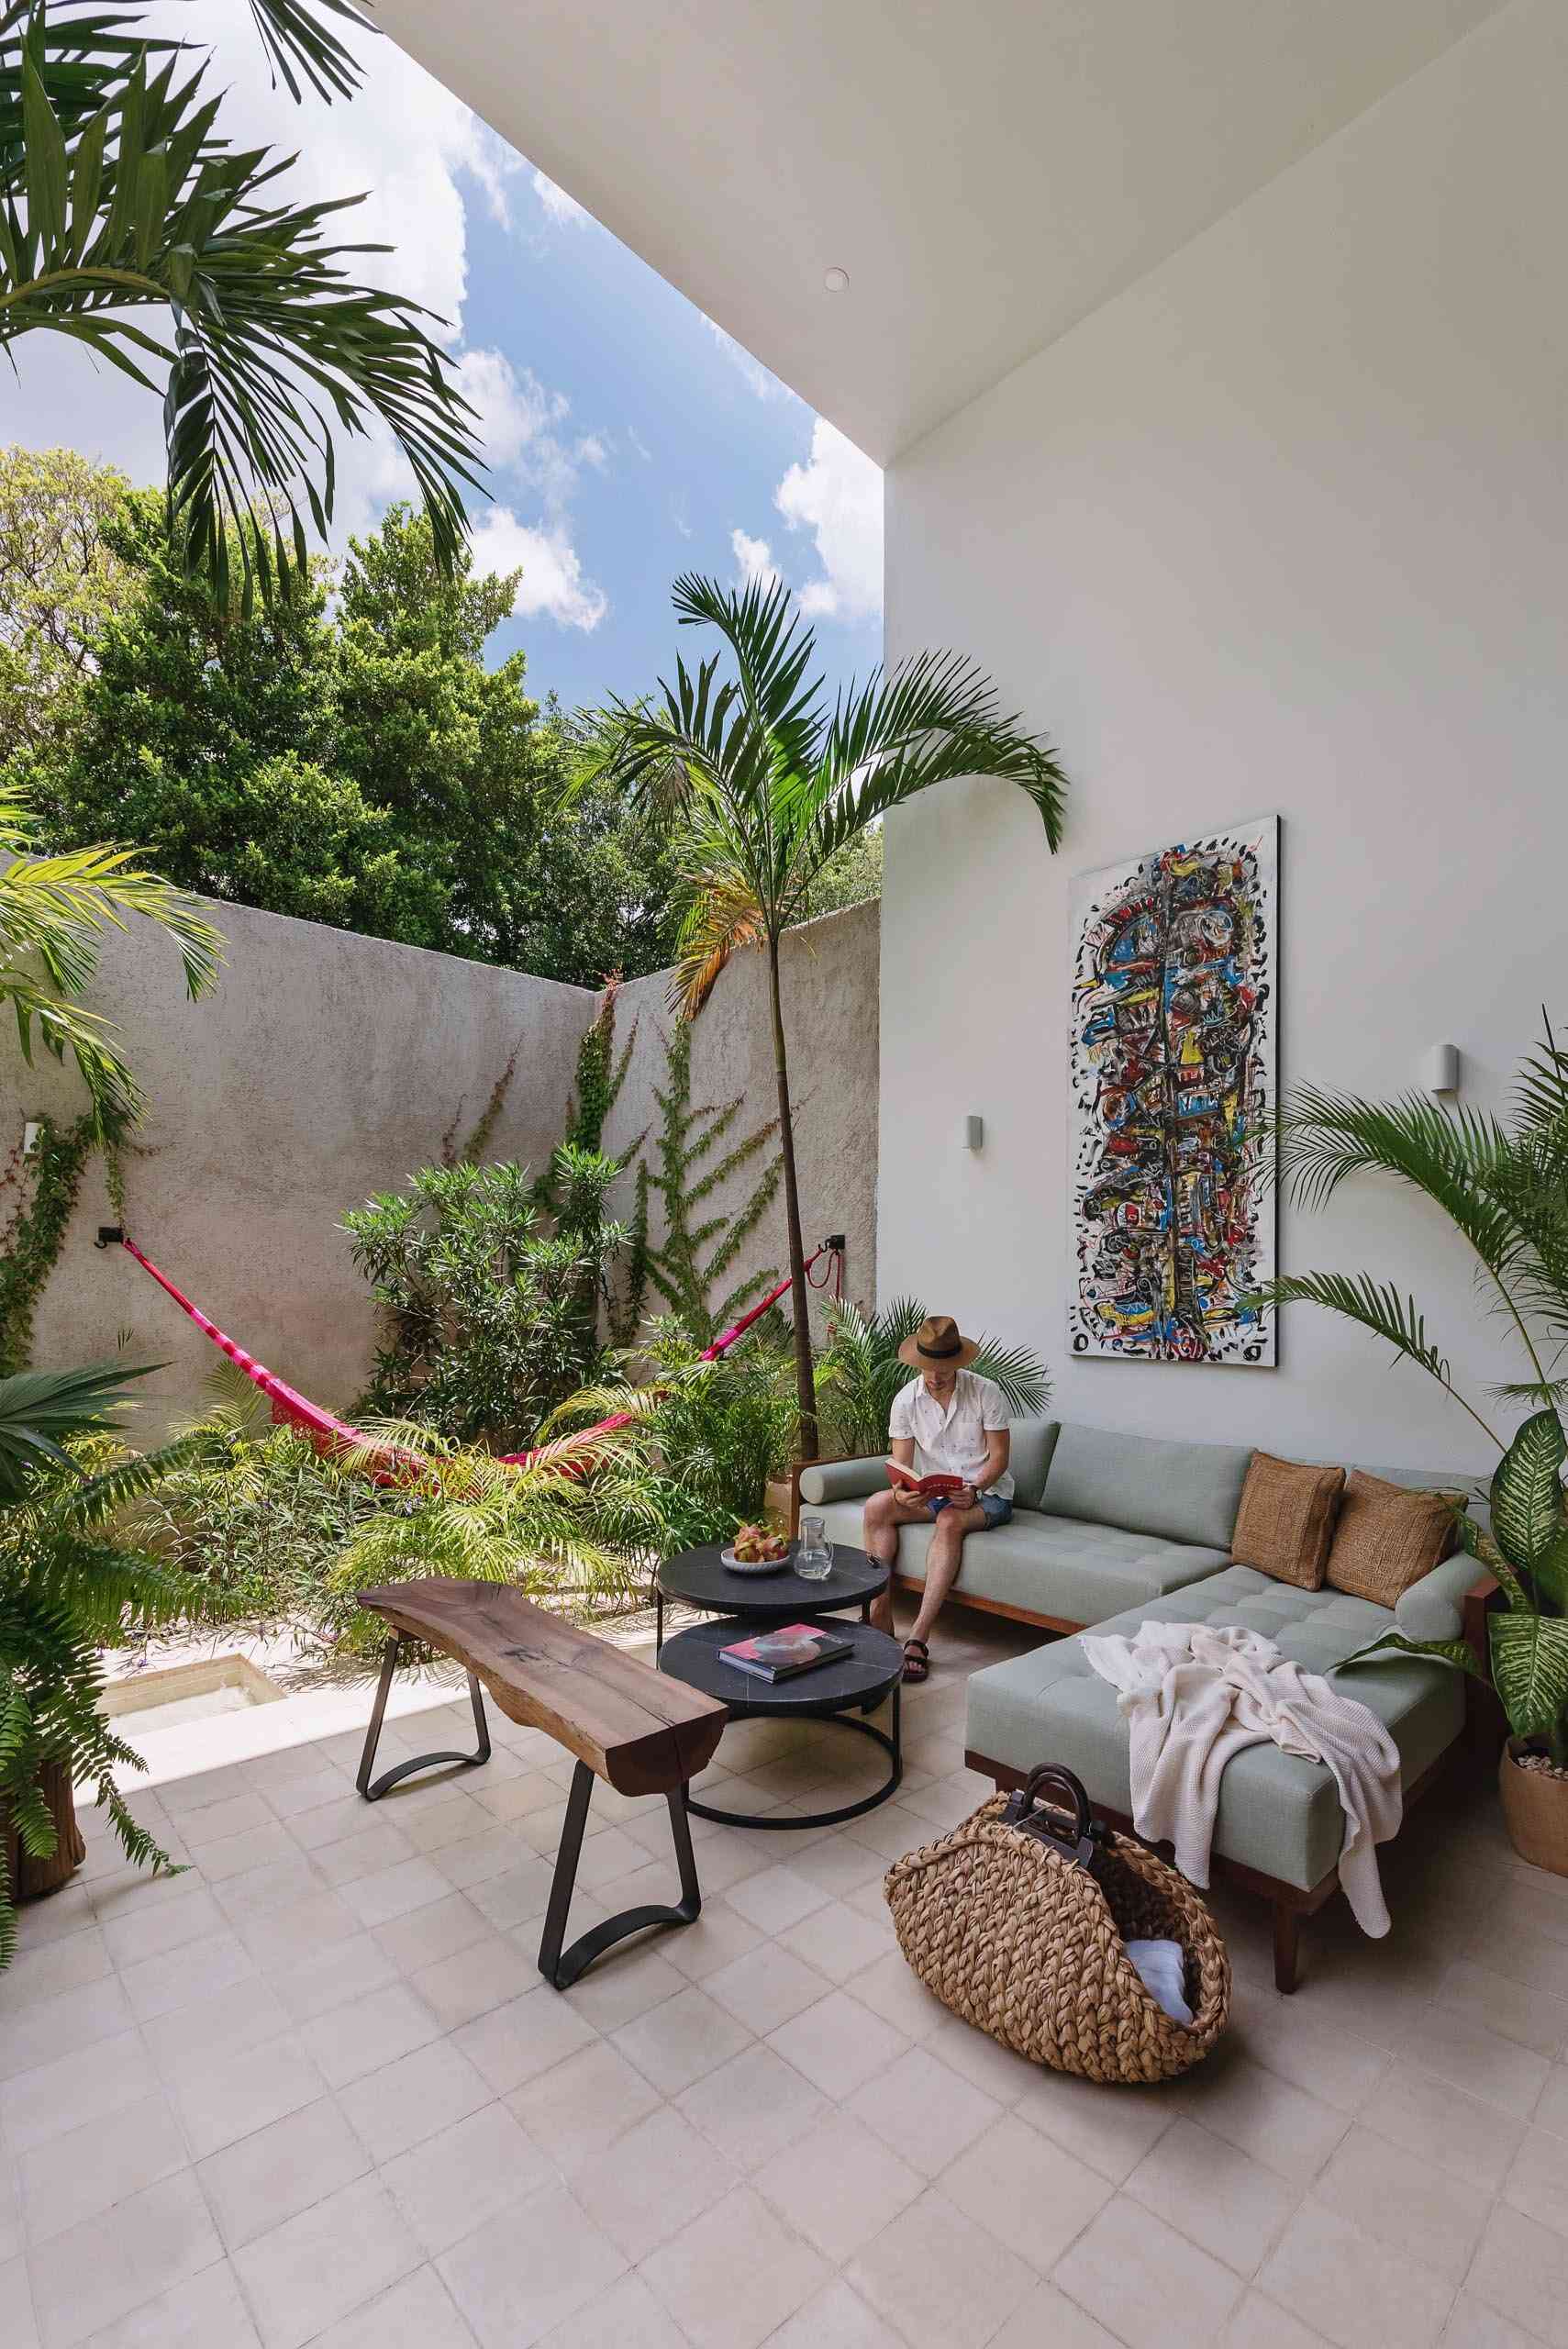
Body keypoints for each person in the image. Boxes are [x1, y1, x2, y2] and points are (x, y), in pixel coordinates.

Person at [863, 1315, 1013, 1682]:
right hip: (934, 1492)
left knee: (948, 1520)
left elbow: (999, 1458)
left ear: (958, 1364)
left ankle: (918, 1636)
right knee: (877, 1505)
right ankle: (880, 1613)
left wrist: (974, 1488)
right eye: (928, 1368)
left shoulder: (985, 1393)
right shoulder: (905, 1401)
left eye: (943, 1368)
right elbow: (901, 1463)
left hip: (986, 1494)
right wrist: (904, 1490)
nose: (935, 1376)